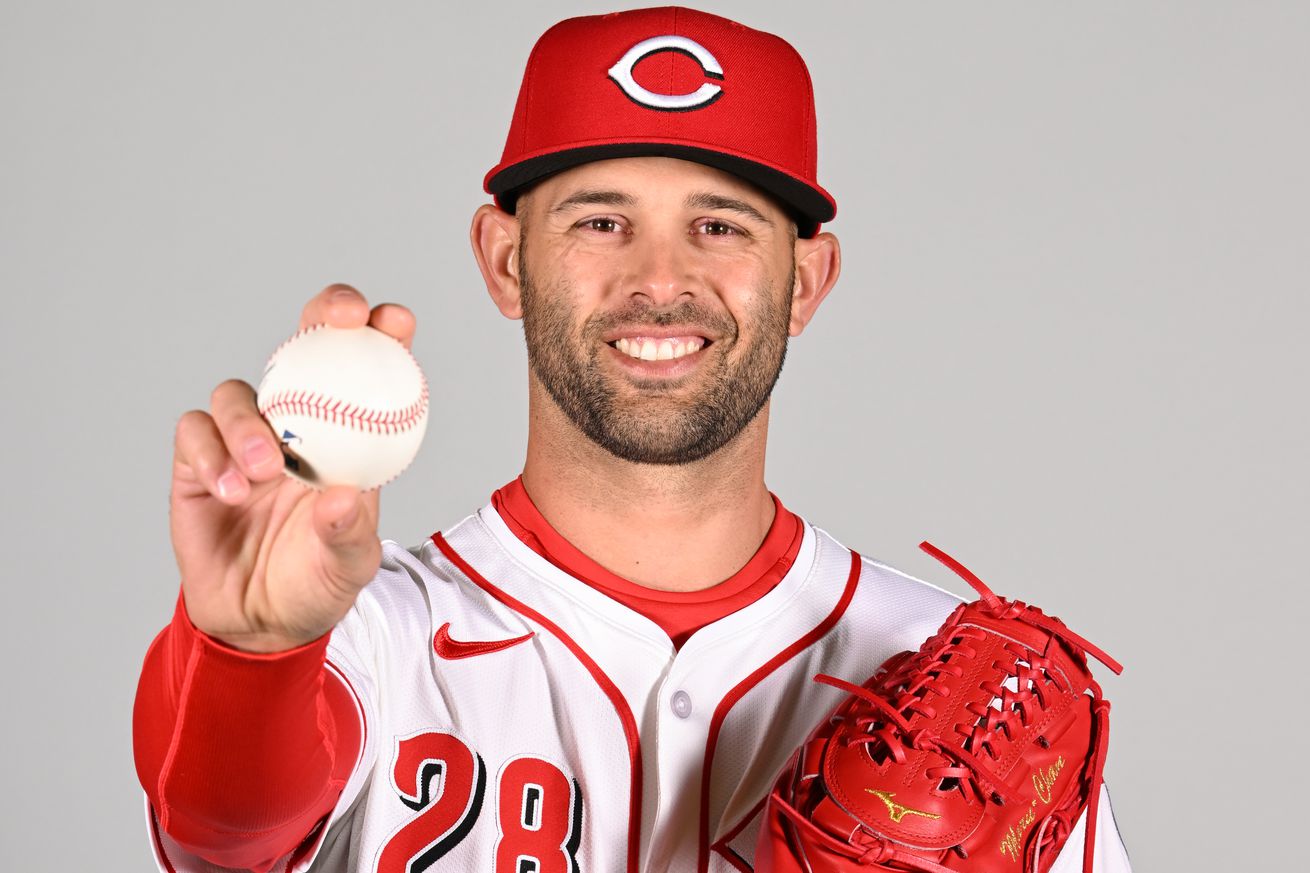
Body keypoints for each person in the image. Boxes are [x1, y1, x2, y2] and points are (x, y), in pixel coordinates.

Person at [133, 7, 1132, 873]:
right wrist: (253, 655)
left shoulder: (968, 700)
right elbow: (224, 837)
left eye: (720, 226)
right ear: (504, 259)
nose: (658, 279)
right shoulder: (361, 635)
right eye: (601, 222)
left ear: (805, 280)